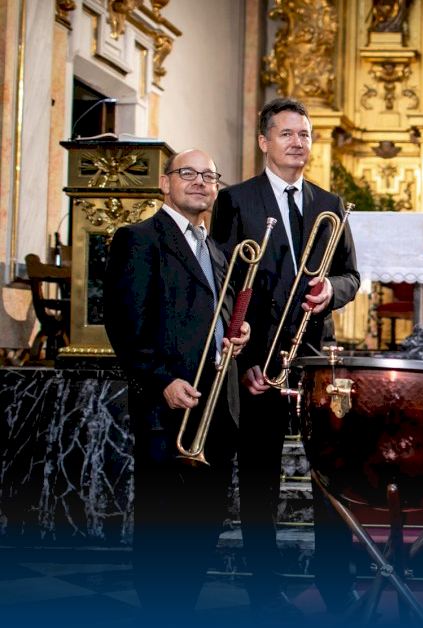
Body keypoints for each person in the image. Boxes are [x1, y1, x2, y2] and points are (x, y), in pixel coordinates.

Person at [211, 97, 361, 617]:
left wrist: (333, 291)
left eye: (305, 134)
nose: (298, 143)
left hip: (315, 356)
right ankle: (265, 588)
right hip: (258, 360)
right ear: (264, 142)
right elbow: (224, 284)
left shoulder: (331, 204)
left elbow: (351, 275)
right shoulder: (235, 201)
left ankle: (336, 583)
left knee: (329, 473)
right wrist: (242, 360)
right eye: (287, 134)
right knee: (260, 477)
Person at [105, 148, 250, 623]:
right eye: (188, 173)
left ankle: (181, 611)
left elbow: (215, 314)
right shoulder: (139, 239)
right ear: (165, 183)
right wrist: (162, 380)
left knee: (202, 522)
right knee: (164, 523)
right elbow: (124, 324)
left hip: (216, 403)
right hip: (168, 404)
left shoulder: (217, 250)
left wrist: (238, 331)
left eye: (209, 175)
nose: (200, 181)